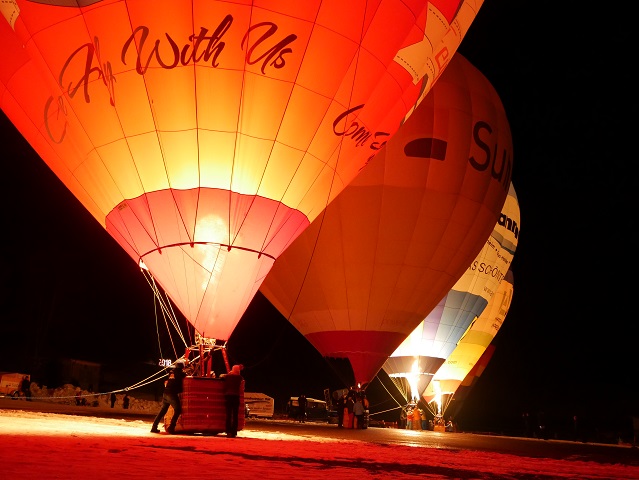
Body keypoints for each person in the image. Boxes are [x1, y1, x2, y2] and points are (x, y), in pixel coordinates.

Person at [151, 360, 187, 434]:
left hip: (165, 393)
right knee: (178, 410)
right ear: (182, 367)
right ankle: (171, 427)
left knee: (163, 411)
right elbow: (186, 375)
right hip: (172, 394)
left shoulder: (171, 372)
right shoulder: (181, 373)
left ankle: (154, 426)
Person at [222, 364, 244, 438]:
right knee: (235, 415)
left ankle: (228, 432)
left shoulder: (227, 377)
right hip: (236, 396)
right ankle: (234, 432)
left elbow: (223, 376)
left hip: (228, 396)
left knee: (228, 415)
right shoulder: (240, 378)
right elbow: (241, 387)